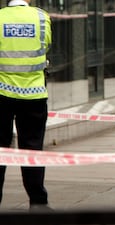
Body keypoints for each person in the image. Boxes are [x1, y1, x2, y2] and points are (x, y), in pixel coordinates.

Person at [0, 0, 52, 211]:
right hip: (34, 94)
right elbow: (47, 45)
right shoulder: (41, 17)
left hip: (1, 92)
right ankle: (38, 203)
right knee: (32, 149)